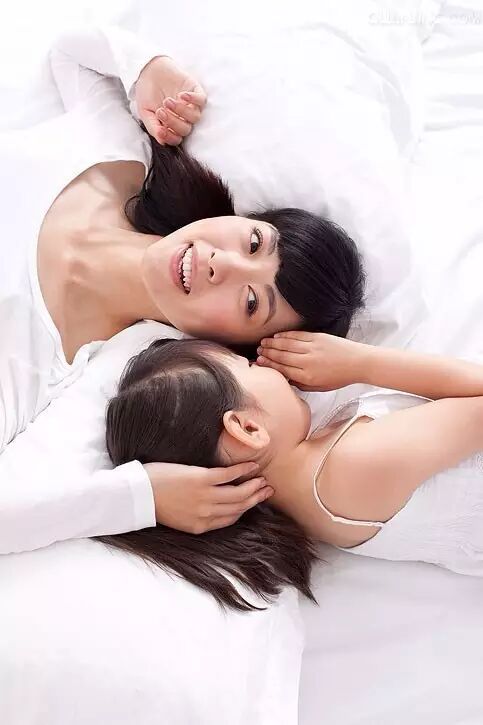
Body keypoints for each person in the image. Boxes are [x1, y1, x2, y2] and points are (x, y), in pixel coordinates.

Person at [0, 26, 364, 549]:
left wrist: (140, 497)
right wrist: (148, 69)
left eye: (251, 302)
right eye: (255, 242)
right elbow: (73, 52)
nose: (224, 264)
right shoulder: (118, 160)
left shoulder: (85, 374)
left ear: (229, 345)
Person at [104, 333, 483, 606]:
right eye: (248, 365)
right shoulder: (352, 466)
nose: (264, 365)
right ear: (248, 428)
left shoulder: (316, 489)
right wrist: (360, 362)